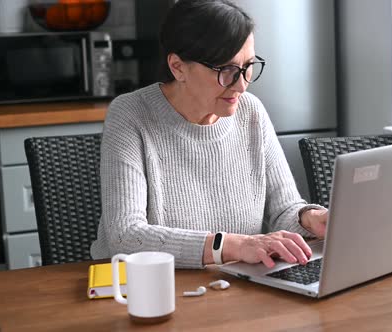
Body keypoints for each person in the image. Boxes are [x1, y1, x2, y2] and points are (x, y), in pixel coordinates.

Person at [90, 0, 328, 269]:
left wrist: (310, 217)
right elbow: (126, 237)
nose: (241, 85)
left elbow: (283, 211)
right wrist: (233, 245)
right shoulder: (131, 114)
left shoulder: (251, 113)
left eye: (247, 66)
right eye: (226, 70)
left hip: (232, 282)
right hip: (145, 286)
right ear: (178, 67)